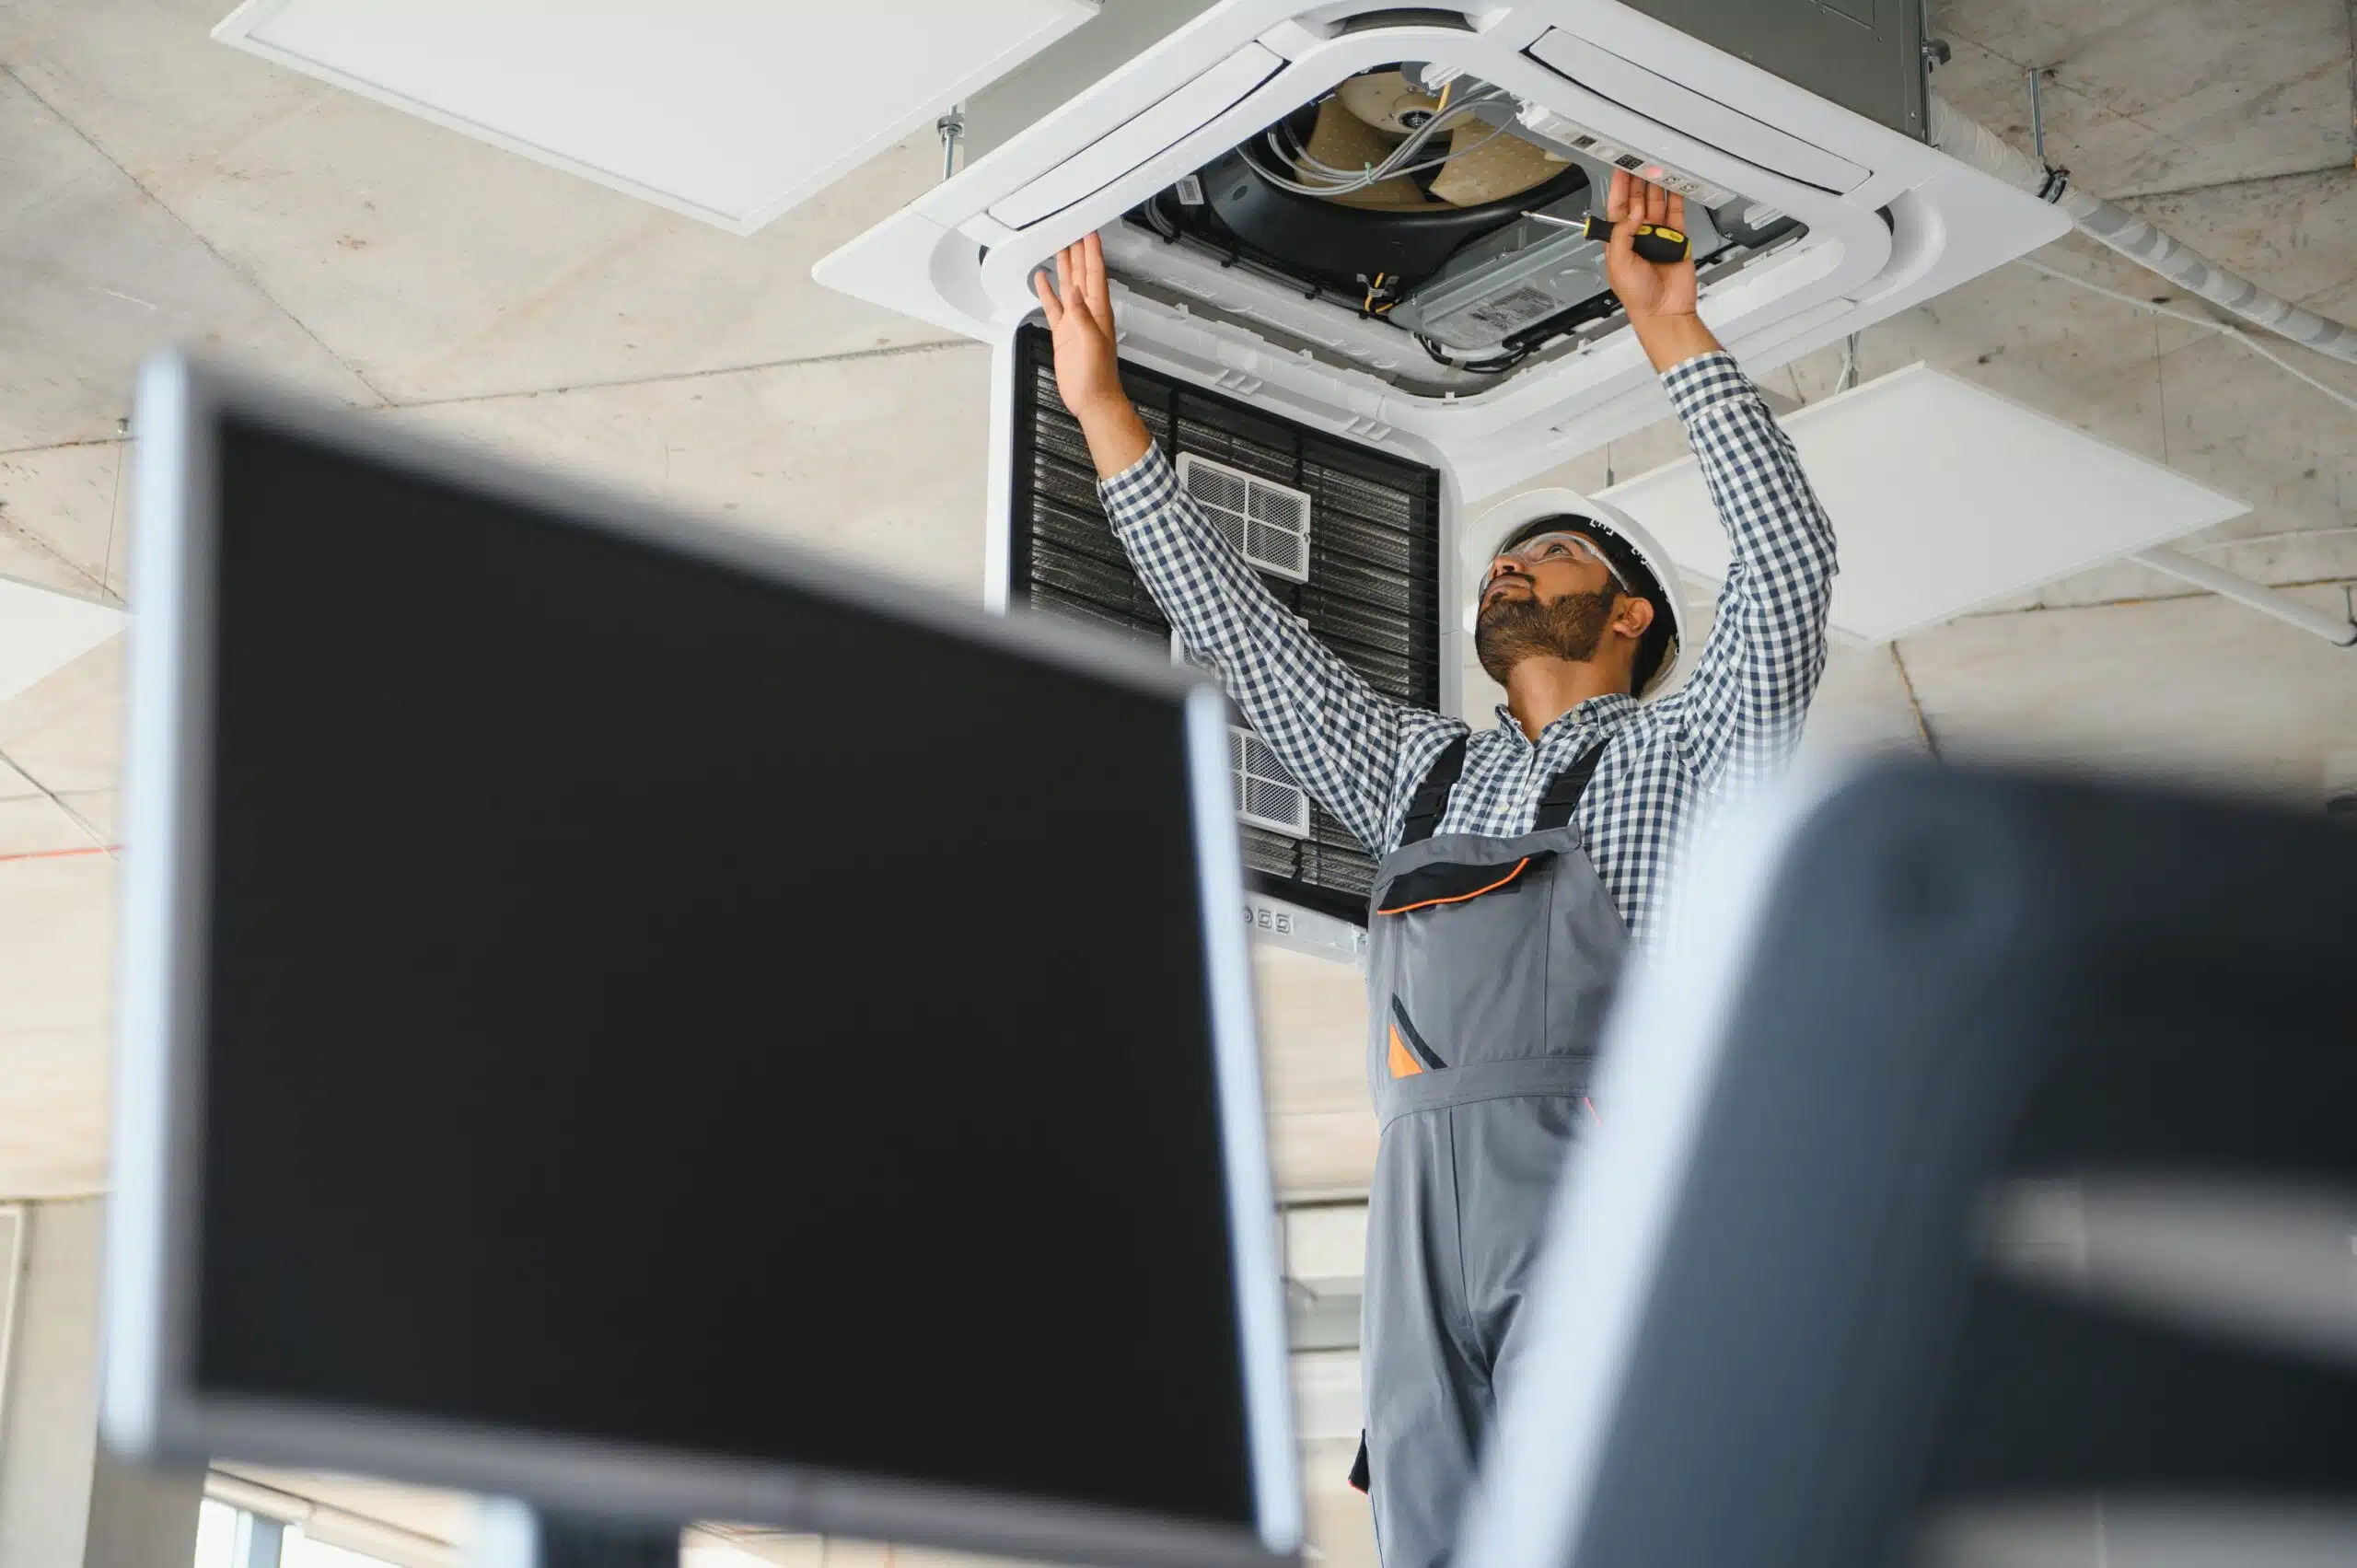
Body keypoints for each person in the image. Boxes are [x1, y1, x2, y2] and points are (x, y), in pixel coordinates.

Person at [1034, 169, 1838, 1568]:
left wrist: (1670, 330)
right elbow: (1243, 639)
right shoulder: (1420, 772)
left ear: (1632, 613)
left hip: (1597, 1190)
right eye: (1500, 566)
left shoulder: (1697, 752)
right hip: (1415, 1219)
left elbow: (1790, 565)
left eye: (1552, 554)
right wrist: (1105, 410)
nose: (1508, 571)